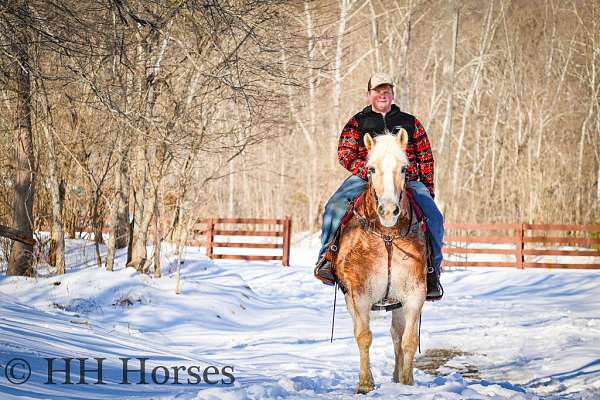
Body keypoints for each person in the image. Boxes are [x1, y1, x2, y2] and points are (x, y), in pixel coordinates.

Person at [314, 72, 444, 300]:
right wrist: (367, 171)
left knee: (434, 216)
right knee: (334, 207)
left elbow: (425, 156)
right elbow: (344, 153)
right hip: (367, 178)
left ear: (393, 94)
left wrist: (427, 189)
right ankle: (327, 256)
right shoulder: (358, 122)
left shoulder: (410, 123)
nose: (382, 95)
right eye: (377, 91)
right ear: (369, 95)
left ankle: (432, 270)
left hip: (406, 178)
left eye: (386, 91)